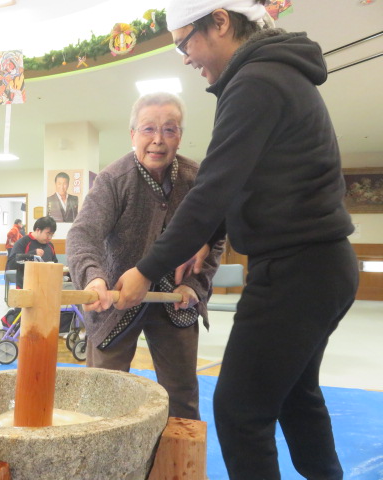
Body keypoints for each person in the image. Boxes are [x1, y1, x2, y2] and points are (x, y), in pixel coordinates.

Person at [115, 2, 359, 478]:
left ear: (221, 21)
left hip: (297, 269)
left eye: (186, 42)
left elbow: (213, 189)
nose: (185, 57)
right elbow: (250, 182)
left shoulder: (256, 82)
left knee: (239, 411)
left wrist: (146, 269)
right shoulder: (276, 74)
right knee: (295, 394)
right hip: (324, 265)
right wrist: (202, 240)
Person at [67, 92, 223, 420]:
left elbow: (216, 237)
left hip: (175, 302)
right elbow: (83, 235)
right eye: (148, 129)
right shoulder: (114, 180)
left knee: (181, 394)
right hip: (115, 300)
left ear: (180, 136)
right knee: (101, 394)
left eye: (169, 129)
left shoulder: (198, 180)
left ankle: (179, 466)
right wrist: (93, 277)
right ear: (132, 135)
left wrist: (194, 285)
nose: (158, 140)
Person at [6, 216, 58, 289]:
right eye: (48, 234)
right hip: (25, 288)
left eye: (52, 235)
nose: (49, 238)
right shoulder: (22, 242)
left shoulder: (50, 245)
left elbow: (54, 263)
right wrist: (32, 255)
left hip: (46, 288)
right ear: (38, 230)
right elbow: (11, 264)